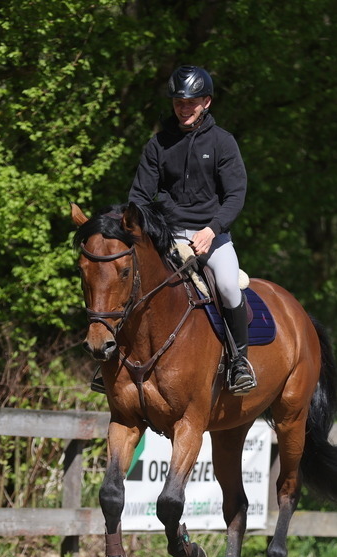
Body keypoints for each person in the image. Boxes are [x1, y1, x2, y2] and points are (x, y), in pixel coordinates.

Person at [126, 65, 256, 395]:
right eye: (179, 103)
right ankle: (114, 362)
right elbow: (140, 195)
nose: (184, 109)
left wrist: (213, 229)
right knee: (130, 279)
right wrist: (143, 229)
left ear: (206, 102)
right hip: (167, 234)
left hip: (211, 235)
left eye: (191, 103)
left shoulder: (223, 142)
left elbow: (236, 195)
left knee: (227, 285)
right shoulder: (158, 144)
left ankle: (240, 361)